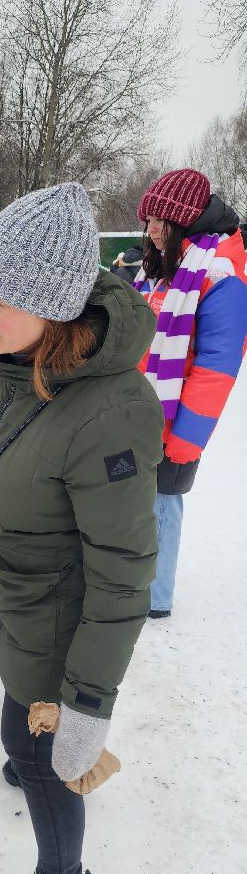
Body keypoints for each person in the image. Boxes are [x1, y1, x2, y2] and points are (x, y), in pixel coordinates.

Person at [0, 182, 163, 874]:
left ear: (55, 307)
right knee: (20, 720)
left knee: (37, 748)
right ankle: (34, 749)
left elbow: (125, 570)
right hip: (19, 597)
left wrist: (88, 704)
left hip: (66, 623)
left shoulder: (109, 411)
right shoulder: (2, 352)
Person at [134, 169, 247, 618]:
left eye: (162, 220)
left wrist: (185, 442)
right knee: (136, 499)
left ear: (185, 221)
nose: (152, 230)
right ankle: (132, 579)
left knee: (163, 501)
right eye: (149, 220)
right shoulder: (164, 265)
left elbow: (217, 368)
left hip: (176, 420)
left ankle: (156, 596)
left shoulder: (220, 272)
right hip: (140, 410)